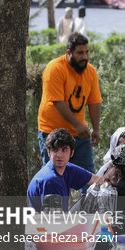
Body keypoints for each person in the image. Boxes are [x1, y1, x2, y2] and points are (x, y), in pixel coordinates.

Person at [37, 33, 102, 175]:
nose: (84, 57)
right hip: (52, 133)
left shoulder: (90, 71)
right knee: (53, 178)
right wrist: (77, 125)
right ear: (69, 52)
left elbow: (94, 102)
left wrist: (96, 129)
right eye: (80, 53)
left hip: (79, 135)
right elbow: (58, 102)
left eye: (86, 52)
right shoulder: (55, 68)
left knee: (88, 178)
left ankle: (89, 198)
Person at [27, 129, 101, 212]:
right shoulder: (51, 180)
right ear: (48, 152)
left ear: (72, 153)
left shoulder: (68, 168)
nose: (59, 155)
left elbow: (97, 180)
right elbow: (54, 222)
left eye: (64, 150)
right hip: (46, 223)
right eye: (55, 150)